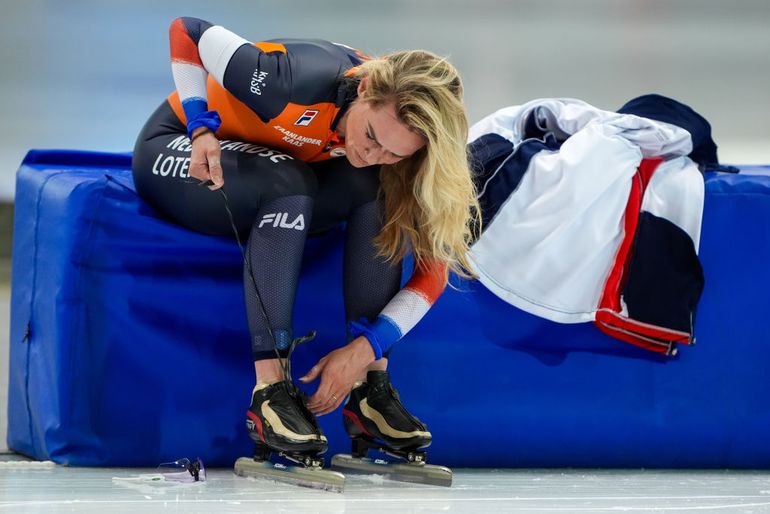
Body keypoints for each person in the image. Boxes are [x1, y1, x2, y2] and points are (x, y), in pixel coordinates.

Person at [132, 17, 478, 462]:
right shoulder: (290, 80)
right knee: (288, 182)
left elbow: (432, 276)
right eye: (371, 135)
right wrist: (201, 126)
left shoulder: (412, 153)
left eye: (395, 152)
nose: (373, 154)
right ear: (365, 90)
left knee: (376, 185)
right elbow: (188, 31)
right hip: (178, 147)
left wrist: (364, 349)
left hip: (276, 165)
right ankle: (269, 393)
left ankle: (368, 392)